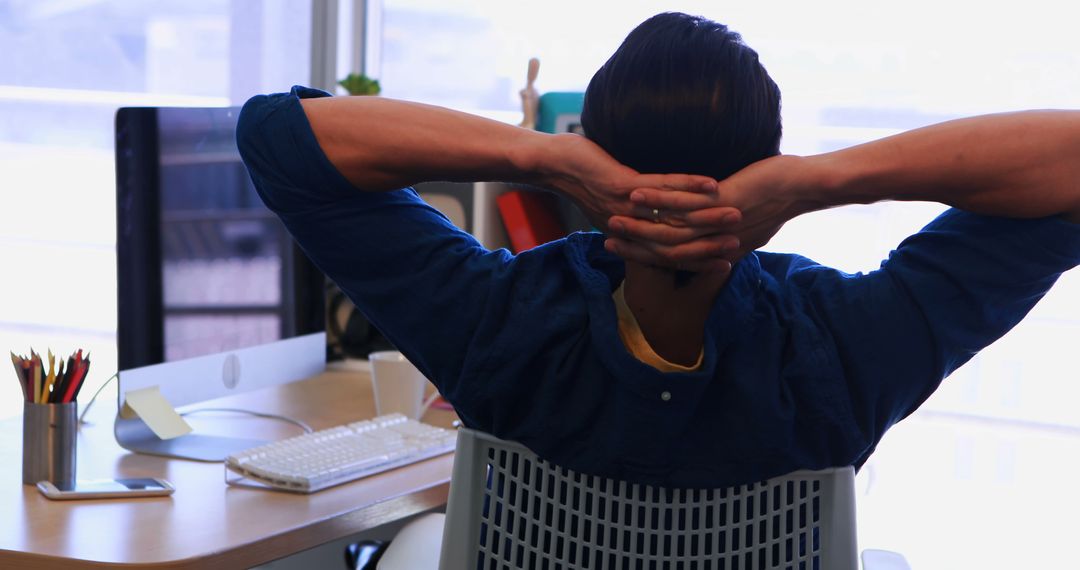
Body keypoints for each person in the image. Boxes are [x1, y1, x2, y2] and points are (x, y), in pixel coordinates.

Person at [236, 12, 1080, 488]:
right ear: (762, 158)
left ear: (598, 149)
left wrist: (544, 154)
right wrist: (820, 180)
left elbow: (279, 137)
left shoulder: (495, 322)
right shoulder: (851, 342)